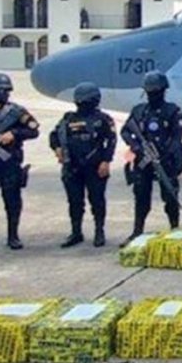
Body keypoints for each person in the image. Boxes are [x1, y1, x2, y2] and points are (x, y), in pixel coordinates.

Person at [120, 71, 182, 246]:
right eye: (149, 91)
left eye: (156, 91)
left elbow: (177, 137)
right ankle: (137, 231)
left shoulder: (172, 111)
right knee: (141, 196)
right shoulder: (139, 111)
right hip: (143, 162)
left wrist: (164, 153)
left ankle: (175, 230)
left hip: (165, 161)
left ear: (164, 91)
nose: (152, 94)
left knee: (170, 196)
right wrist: (136, 146)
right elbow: (125, 131)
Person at [50, 82, 116, 248]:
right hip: (72, 167)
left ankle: (99, 231)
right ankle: (76, 232)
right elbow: (54, 136)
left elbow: (111, 140)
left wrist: (106, 161)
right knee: (74, 202)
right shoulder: (68, 119)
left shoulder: (103, 119)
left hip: (95, 166)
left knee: (97, 201)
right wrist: (57, 148)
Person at [0, 73, 39, 250]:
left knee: (12, 202)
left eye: (8, 91)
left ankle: (13, 236)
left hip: (8, 164)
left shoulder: (15, 112)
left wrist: (14, 134)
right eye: (2, 91)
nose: (6, 94)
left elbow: (34, 130)